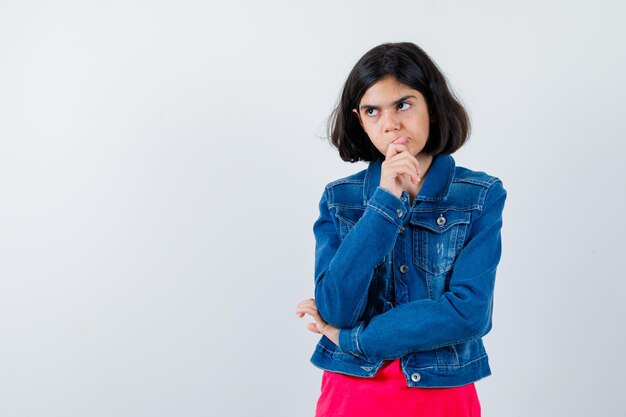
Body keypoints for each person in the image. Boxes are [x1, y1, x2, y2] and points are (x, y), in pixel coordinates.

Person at [296, 42, 507, 417]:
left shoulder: (479, 196)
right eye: (372, 111)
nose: (389, 123)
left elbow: (470, 314)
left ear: (432, 106)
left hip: (442, 396)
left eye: (403, 105)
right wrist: (384, 204)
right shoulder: (339, 198)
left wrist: (354, 338)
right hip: (353, 394)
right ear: (359, 119)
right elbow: (335, 308)